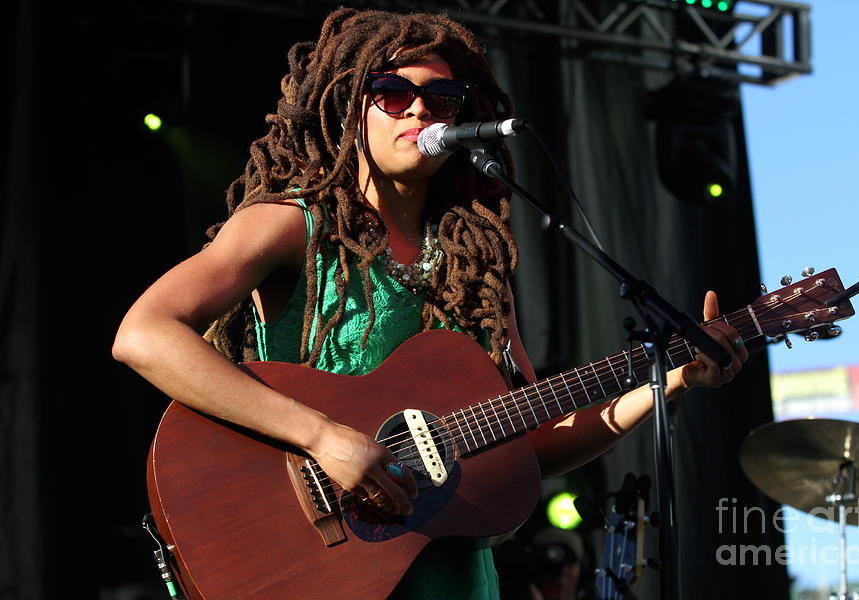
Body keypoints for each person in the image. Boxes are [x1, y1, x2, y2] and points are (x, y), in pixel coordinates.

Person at [112, 7, 748, 599]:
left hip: (451, 574)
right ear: (348, 108)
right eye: (393, 93)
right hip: (319, 559)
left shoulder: (478, 268)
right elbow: (143, 333)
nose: (419, 111)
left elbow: (527, 443)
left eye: (441, 100)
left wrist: (670, 382)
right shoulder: (289, 224)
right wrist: (323, 437)